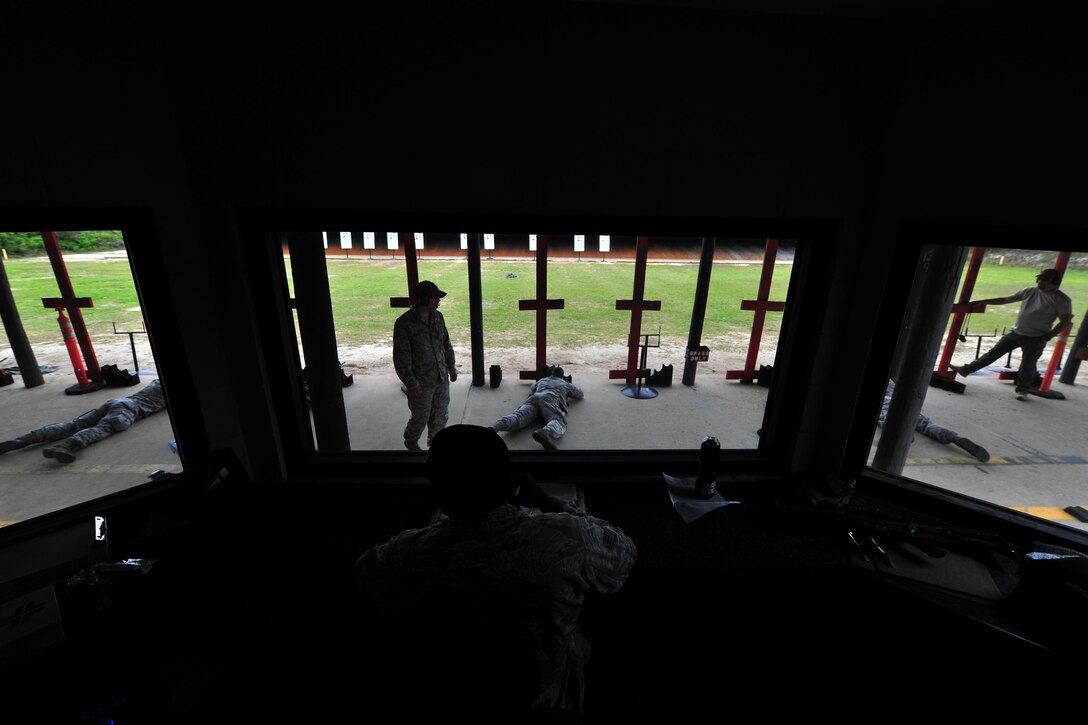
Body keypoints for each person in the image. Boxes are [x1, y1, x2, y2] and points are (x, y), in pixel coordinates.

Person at [355, 424, 637, 718]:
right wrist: (547, 501)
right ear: (508, 480)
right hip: (541, 701)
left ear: (437, 490)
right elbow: (624, 555)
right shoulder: (566, 538)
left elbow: (366, 574)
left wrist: (432, 533)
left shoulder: (409, 554)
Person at [951, 268, 1074, 400]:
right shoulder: (1029, 291)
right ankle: (966, 370)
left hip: (1036, 337)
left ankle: (1023, 390)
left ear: (1055, 283)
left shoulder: (1061, 300)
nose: (1040, 282)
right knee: (992, 354)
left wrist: (1048, 336)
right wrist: (985, 301)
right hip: (1016, 332)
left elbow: (1066, 320)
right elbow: (1005, 300)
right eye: (1039, 278)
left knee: (1028, 364)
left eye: (1044, 280)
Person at [0, 379, 166, 464]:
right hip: (131, 410)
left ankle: (21, 440)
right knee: (103, 429)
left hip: (117, 401)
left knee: (74, 424)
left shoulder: (156, 381)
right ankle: (66, 446)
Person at [392, 280, 458, 451]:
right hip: (421, 383)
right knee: (420, 416)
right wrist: (411, 382)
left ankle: (436, 447)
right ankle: (411, 441)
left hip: (441, 377)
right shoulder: (404, 323)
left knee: (440, 416)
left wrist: (451, 367)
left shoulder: (438, 317)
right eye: (435, 298)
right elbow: (401, 357)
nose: (439, 301)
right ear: (423, 299)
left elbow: (446, 344)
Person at [879, 379, 989, 462]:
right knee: (923, 422)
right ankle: (952, 436)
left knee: (884, 414)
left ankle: (897, 432)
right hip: (897, 393)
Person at [489, 364, 584, 450]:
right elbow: (580, 395)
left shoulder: (542, 381)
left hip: (534, 398)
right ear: (562, 376)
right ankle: (545, 432)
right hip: (550, 398)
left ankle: (496, 426)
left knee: (519, 416)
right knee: (558, 420)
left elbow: (533, 388)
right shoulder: (565, 384)